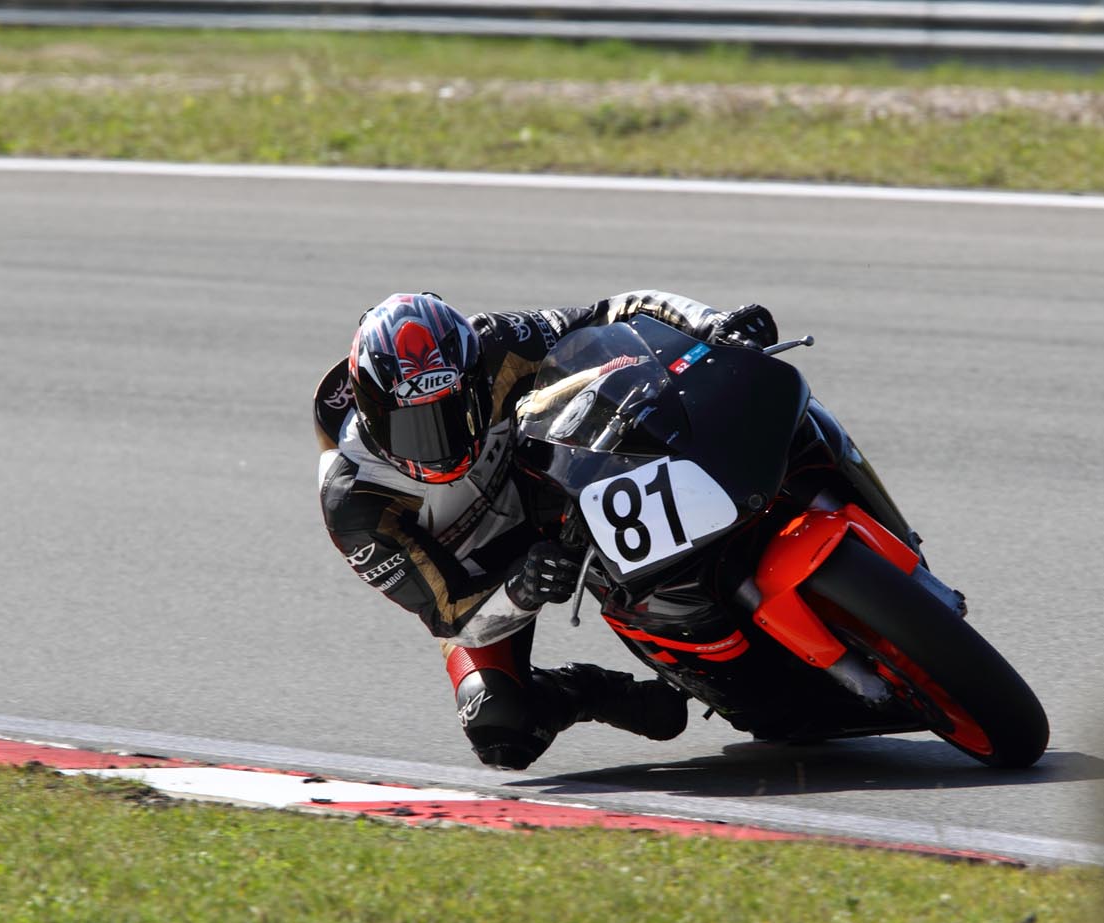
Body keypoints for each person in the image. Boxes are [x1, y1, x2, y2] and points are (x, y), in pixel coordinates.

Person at [314, 291, 778, 770]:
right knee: (501, 728)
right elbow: (449, 614)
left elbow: (613, 312)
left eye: (455, 413)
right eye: (417, 427)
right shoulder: (355, 501)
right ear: (373, 415)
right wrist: (521, 588)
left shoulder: (495, 345)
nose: (441, 444)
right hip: (489, 576)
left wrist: (715, 326)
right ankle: (589, 691)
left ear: (473, 379)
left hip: (553, 483)